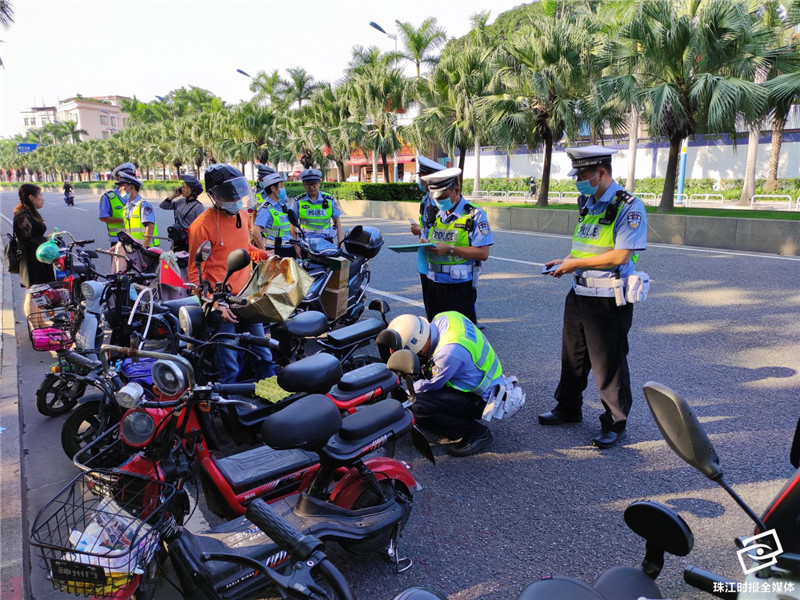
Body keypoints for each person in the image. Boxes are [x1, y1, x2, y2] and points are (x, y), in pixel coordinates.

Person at [538, 145, 648, 449]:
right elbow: (584, 247)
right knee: (572, 356)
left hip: (608, 298)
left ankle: (615, 422)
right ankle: (568, 407)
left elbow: (620, 255)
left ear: (601, 173)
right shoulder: (588, 202)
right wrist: (564, 261)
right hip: (579, 292)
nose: (578, 181)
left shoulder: (629, 205)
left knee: (607, 363)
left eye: (583, 175)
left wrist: (575, 264)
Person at [187, 164, 276, 384]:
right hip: (223, 304)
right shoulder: (201, 226)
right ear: (214, 196)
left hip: (247, 299)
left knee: (263, 354)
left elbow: (245, 249)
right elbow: (194, 272)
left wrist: (266, 256)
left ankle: (272, 398)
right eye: (229, 194)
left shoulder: (244, 216)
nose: (236, 198)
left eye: (238, 192)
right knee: (229, 364)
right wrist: (215, 305)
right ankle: (230, 411)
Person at [387, 311, 504, 457]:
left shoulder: (448, 353)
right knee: (421, 389)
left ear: (419, 346)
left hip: (484, 400)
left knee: (416, 406)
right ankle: (443, 419)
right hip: (484, 383)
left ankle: (476, 432)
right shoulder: (445, 317)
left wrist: (402, 396)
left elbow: (429, 386)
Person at [420, 167, 493, 326]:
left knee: (461, 336)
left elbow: (483, 253)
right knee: (436, 334)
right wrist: (424, 243)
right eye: (435, 198)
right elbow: (428, 235)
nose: (439, 201)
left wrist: (450, 249)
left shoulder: (474, 214)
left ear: (456, 190)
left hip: (458, 287)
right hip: (434, 285)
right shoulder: (434, 213)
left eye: (443, 197)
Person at [409, 155, 445, 321]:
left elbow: (438, 229)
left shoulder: (437, 200)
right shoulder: (426, 199)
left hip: (435, 258)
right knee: (430, 301)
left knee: (436, 303)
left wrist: (421, 230)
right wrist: (419, 230)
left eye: (421, 177)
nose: (419, 180)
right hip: (426, 256)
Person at [13, 184, 56, 323]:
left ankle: (40, 321)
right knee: (32, 293)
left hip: (38, 257)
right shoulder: (22, 215)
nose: (42, 198)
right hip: (30, 258)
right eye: (40, 195)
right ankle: (35, 326)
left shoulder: (30, 213)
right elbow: (28, 239)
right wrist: (47, 244)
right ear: (31, 197)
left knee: (38, 292)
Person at [291, 168, 342, 244]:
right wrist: (296, 246)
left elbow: (337, 220)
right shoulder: (298, 201)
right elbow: (292, 225)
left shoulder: (329, 199)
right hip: (306, 241)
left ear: (319, 183)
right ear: (304, 185)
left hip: (326, 240)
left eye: (314, 184)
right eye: (308, 184)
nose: (311, 187)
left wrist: (340, 241)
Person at [159, 174, 206, 252]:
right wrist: (174, 196)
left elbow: (202, 227)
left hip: (188, 241)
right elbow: (163, 206)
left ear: (193, 191)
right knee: (174, 261)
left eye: (186, 187)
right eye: (182, 187)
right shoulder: (180, 201)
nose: (183, 189)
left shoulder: (198, 207)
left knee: (185, 261)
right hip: (177, 238)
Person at [252, 172, 294, 256]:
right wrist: (264, 253)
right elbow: (255, 232)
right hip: (276, 250)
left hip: (289, 248)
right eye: (281, 186)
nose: (283, 189)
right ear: (273, 189)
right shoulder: (266, 209)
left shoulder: (282, 205)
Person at [98, 162, 136, 246]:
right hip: (117, 240)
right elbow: (103, 217)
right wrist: (123, 221)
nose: (130, 180)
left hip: (136, 239)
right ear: (118, 179)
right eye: (126, 177)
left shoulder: (136, 196)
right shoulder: (108, 197)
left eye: (132, 177)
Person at [118, 172, 159, 248]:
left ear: (131, 187)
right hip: (133, 248)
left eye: (122, 186)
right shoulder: (126, 206)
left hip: (145, 248)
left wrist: (144, 248)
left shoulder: (143, 205)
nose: (119, 189)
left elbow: (150, 227)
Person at [249, 164, 278, 229]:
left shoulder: (278, 193)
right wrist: (253, 230)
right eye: (259, 179)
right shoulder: (256, 193)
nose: (260, 182)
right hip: (260, 232)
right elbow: (254, 213)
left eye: (262, 180)